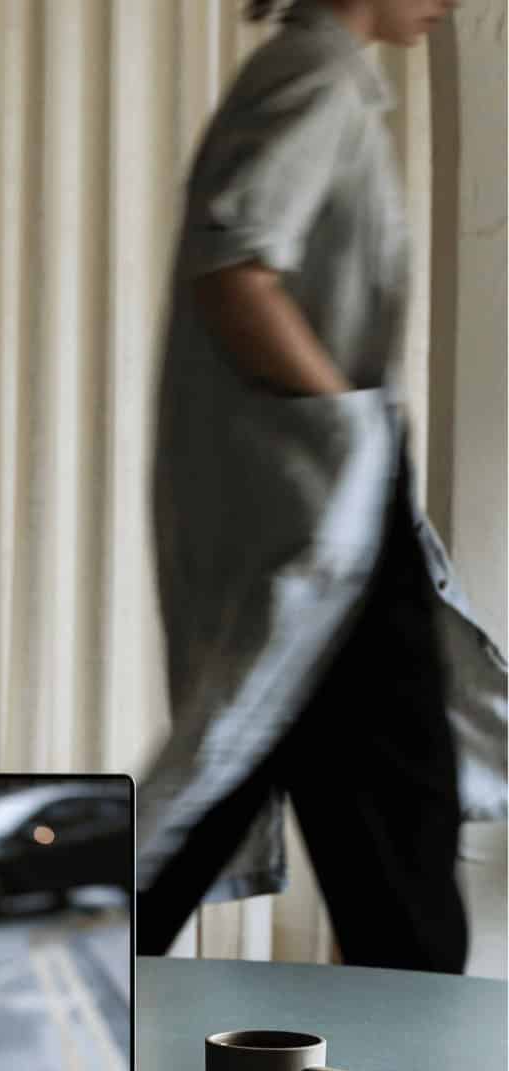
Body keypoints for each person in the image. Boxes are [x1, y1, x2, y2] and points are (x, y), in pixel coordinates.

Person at [136, 0, 506, 971]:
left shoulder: (318, 74)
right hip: (325, 499)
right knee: (392, 830)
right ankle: (10, 983)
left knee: (269, 778)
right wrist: (349, 416)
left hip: (325, 498)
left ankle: (20, 987)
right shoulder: (318, 76)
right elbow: (235, 266)